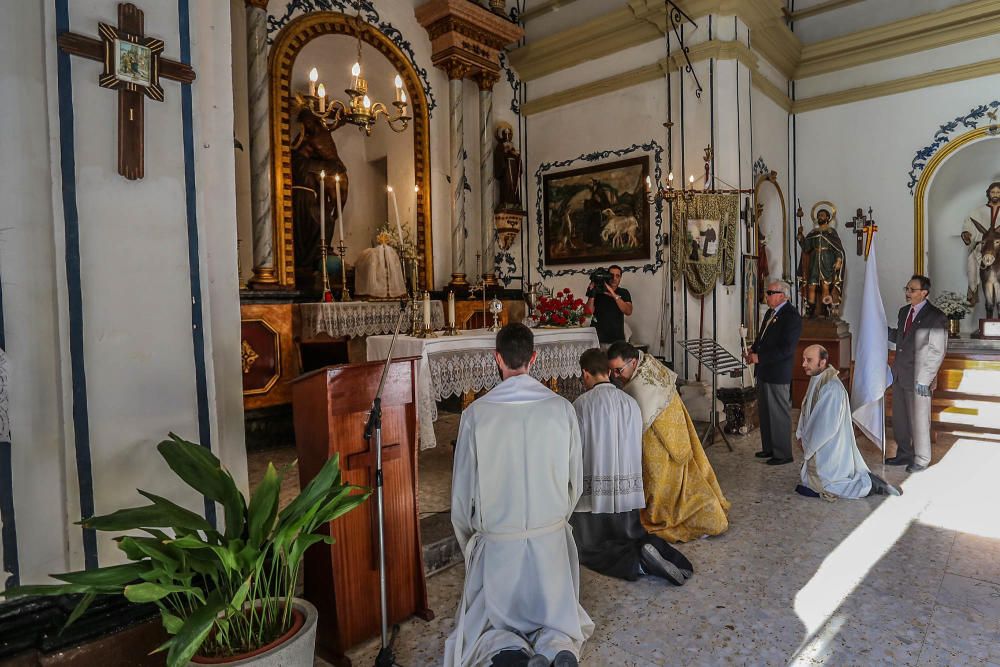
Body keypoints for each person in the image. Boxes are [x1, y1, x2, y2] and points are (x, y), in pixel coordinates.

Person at [445, 324, 593, 667]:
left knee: (489, 627)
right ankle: (558, 647)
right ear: (534, 358)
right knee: (556, 619)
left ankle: (506, 650)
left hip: (499, 545)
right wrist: (553, 523)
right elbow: (576, 483)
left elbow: (461, 494)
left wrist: (475, 543)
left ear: (497, 359)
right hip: (551, 542)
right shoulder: (561, 408)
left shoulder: (476, 414)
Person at [569, 349, 693, 584]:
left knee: (586, 548)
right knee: (633, 535)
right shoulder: (630, 402)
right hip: (628, 496)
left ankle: (639, 564)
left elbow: (576, 450)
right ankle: (672, 557)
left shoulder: (581, 405)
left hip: (594, 499)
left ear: (585, 374)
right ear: (608, 371)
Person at [607, 341, 730, 542]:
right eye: (612, 371)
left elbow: (636, 424)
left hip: (661, 439)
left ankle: (686, 518)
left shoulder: (639, 387)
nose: (616, 376)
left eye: (618, 370)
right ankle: (707, 512)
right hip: (676, 430)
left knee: (660, 484)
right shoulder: (648, 361)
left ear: (633, 361)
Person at [795, 345, 901, 499]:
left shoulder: (832, 388)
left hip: (829, 449)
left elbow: (825, 426)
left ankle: (871, 485)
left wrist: (806, 442)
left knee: (830, 485)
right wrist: (801, 434)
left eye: (809, 360)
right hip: (819, 446)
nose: (803, 364)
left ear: (822, 362)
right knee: (808, 483)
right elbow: (806, 410)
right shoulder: (817, 379)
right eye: (803, 359)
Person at [887, 275, 948, 473]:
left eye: (912, 290)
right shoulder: (904, 312)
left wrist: (925, 379)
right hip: (900, 374)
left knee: (920, 420)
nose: (908, 293)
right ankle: (904, 454)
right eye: (907, 289)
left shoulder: (936, 316)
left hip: (920, 377)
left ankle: (921, 459)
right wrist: (879, 327)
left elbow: (937, 351)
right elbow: (901, 338)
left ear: (924, 293)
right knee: (901, 419)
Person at [747, 280, 803, 465]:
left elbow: (786, 349)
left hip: (778, 372)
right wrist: (752, 350)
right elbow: (762, 337)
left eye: (770, 292)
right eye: (767, 292)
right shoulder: (771, 313)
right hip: (764, 371)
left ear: (783, 295)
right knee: (765, 412)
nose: (767, 295)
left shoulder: (791, 316)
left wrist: (760, 358)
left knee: (778, 413)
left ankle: (783, 454)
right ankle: (769, 448)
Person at [797, 206, 846, 318]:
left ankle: (825, 310)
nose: (820, 217)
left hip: (827, 262)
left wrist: (838, 260)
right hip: (814, 263)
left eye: (822, 215)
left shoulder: (831, 232)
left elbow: (837, 249)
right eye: (818, 215)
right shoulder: (813, 233)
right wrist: (800, 236)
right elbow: (806, 248)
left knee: (825, 286)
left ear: (828, 218)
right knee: (811, 286)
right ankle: (810, 310)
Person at [961, 181, 1000, 305]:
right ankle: (973, 289)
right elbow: (969, 224)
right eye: (993, 192)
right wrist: (966, 233)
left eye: (998, 192)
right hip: (982, 247)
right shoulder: (978, 211)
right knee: (972, 261)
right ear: (988, 194)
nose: (995, 194)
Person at [586, 265, 633, 345]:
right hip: (598, 339)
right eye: (611, 275)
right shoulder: (598, 292)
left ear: (620, 278)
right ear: (606, 276)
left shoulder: (623, 292)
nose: (614, 278)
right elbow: (588, 313)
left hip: (617, 340)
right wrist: (592, 294)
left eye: (617, 276)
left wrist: (613, 294)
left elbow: (628, 311)